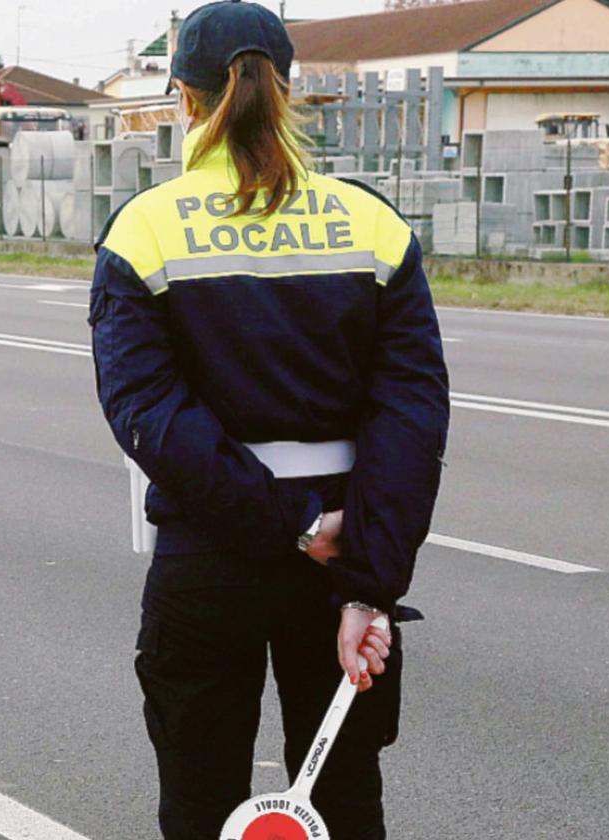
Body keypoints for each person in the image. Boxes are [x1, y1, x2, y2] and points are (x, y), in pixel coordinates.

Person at [88, 2, 450, 838]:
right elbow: (413, 415)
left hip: (210, 556)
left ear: (182, 97)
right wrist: (366, 578)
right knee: (344, 797)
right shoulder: (373, 226)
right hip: (341, 557)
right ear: (289, 90)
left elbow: (147, 413)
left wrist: (288, 523)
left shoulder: (145, 230)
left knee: (199, 797)